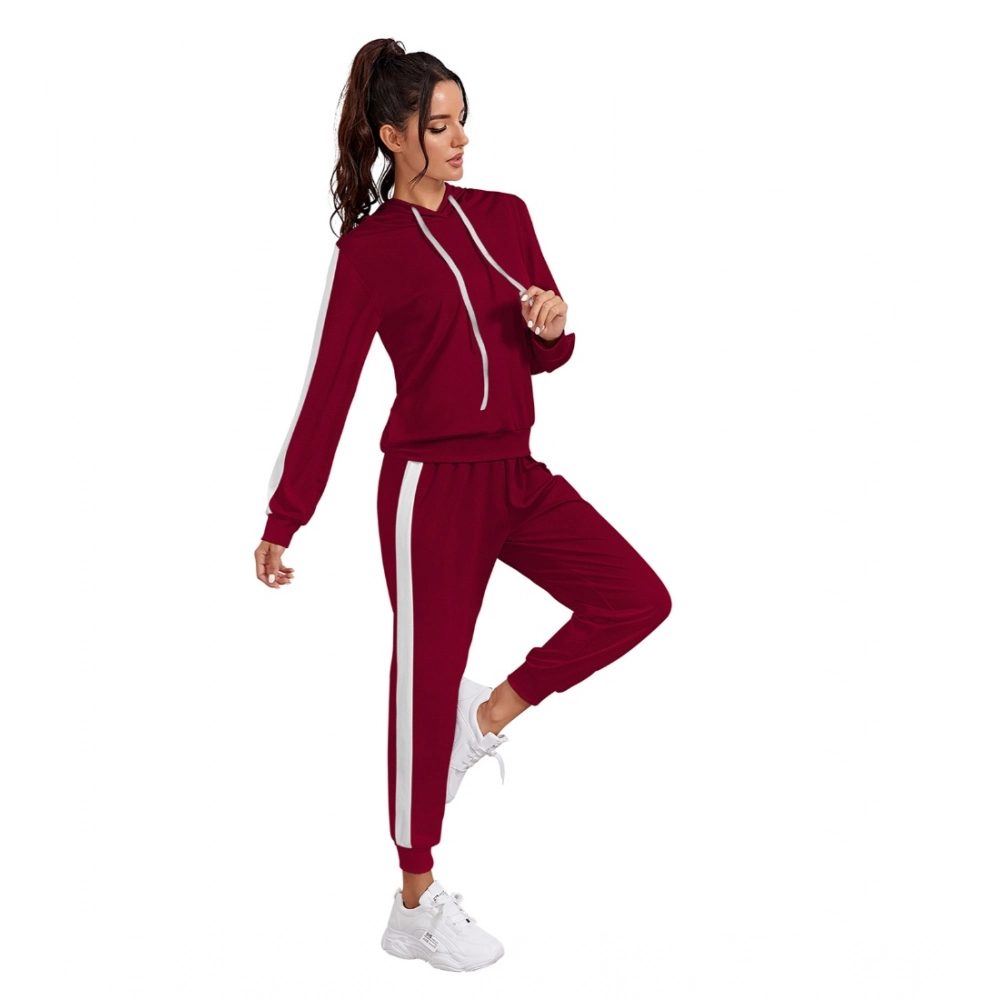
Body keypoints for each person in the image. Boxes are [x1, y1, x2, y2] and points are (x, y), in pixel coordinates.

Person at [253, 37, 672, 972]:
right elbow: (329, 390)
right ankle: (414, 903)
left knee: (637, 599)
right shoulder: (370, 253)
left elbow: (545, 354)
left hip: (514, 473)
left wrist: (551, 325)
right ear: (393, 136)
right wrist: (287, 516)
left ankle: (482, 719)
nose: (459, 141)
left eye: (462, 122)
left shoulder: (506, 215)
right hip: (429, 490)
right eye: (438, 126)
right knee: (421, 680)